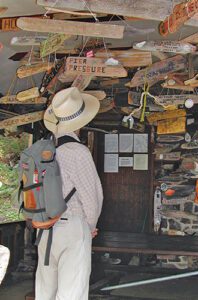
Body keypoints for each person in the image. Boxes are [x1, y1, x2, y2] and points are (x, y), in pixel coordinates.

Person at [36, 87, 103, 300]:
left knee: (45, 290)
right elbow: (92, 197)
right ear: (80, 123)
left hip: (45, 228)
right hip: (71, 226)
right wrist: (89, 227)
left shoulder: (43, 151)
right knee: (71, 292)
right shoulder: (77, 152)